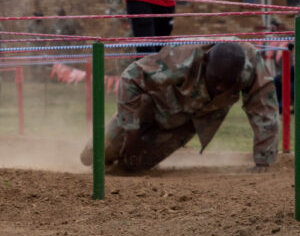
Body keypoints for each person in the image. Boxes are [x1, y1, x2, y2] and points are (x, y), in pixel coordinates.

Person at [80, 42, 278, 172]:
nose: (220, 88)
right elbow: (130, 78)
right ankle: (101, 153)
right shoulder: (182, 57)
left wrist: (263, 160)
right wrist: (132, 134)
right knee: (94, 155)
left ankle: (119, 170)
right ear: (205, 61)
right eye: (216, 79)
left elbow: (264, 109)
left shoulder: (252, 69)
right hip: (150, 104)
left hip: (188, 123)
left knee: (133, 168)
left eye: (228, 82)